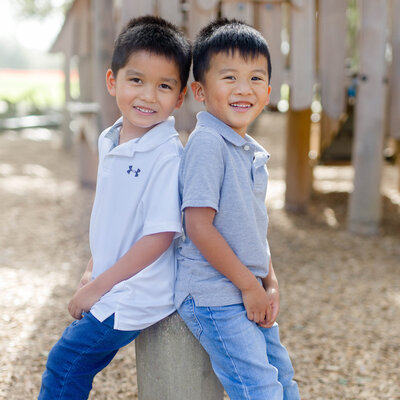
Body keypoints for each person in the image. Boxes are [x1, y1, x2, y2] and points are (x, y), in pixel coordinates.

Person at [38, 16, 191, 400]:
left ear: (180, 96)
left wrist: (98, 289)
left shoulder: (166, 154)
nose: (148, 95)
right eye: (136, 80)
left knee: (65, 362)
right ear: (113, 82)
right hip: (114, 284)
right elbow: (113, 219)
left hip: (137, 292)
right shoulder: (112, 139)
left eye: (164, 86)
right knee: (69, 361)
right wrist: (92, 269)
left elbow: (158, 237)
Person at [175, 19, 300, 400]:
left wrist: (269, 281)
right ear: (199, 90)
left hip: (247, 290)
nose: (244, 89)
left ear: (268, 91)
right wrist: (249, 285)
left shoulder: (244, 148)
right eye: (229, 78)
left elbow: (252, 227)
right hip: (214, 296)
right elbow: (198, 226)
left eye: (256, 78)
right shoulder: (209, 143)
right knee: (260, 390)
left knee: (283, 382)